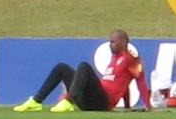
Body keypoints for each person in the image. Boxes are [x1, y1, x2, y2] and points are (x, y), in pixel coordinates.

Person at [12, 29, 152, 113]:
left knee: (84, 66)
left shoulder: (132, 59)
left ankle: (68, 101)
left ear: (123, 42)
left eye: (113, 42)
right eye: (110, 41)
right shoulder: (115, 58)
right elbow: (123, 84)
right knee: (62, 68)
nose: (110, 45)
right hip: (91, 100)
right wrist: (127, 106)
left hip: (102, 103)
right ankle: (36, 101)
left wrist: (148, 106)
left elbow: (140, 82)